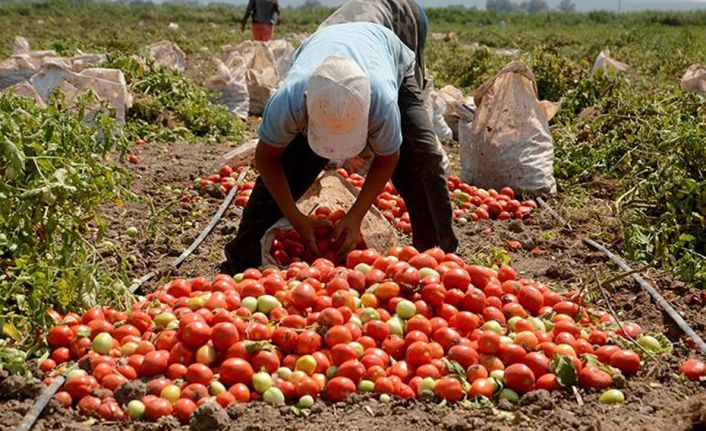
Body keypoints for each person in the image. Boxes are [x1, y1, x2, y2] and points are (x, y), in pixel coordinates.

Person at [222, 21, 457, 274]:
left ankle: (437, 260)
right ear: (306, 103)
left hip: (385, 52)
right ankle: (244, 255)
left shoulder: (383, 101)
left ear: (367, 112)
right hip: (322, 49)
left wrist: (356, 215)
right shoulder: (288, 101)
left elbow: (388, 158)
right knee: (294, 164)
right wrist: (296, 218)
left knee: (423, 159)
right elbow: (267, 160)